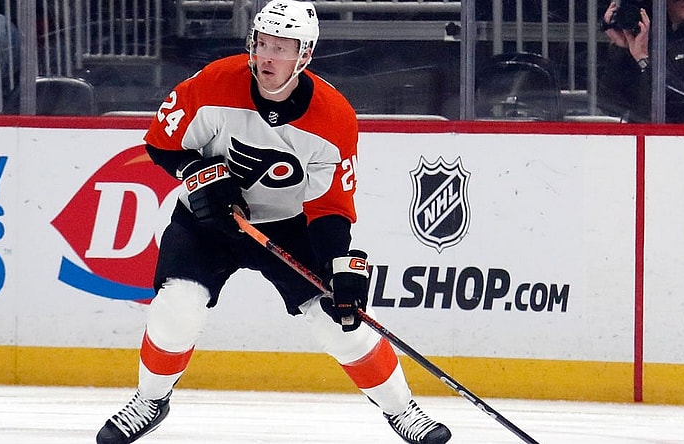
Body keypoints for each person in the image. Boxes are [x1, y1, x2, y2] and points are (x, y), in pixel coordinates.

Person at [95, 1, 452, 444]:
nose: (266, 56)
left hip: (290, 226)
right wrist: (200, 174)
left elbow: (329, 207)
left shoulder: (333, 116)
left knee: (341, 323)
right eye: (262, 43)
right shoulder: (214, 82)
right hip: (210, 222)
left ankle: (404, 411)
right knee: (177, 305)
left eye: (280, 48)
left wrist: (337, 266)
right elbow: (162, 143)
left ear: (304, 55)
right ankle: (150, 400)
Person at [598, 0, 684, 123]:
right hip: (641, 131)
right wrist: (622, 50)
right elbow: (610, 105)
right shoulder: (645, 41)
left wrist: (644, 61)